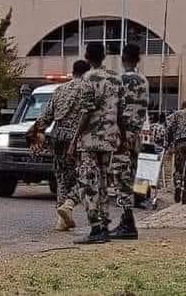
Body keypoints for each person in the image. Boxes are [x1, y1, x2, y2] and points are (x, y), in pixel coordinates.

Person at [72, 43, 124, 244]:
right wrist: (122, 137)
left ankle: (95, 228)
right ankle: (104, 227)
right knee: (103, 183)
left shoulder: (88, 78)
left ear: (87, 57)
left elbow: (86, 112)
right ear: (104, 56)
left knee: (87, 183)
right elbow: (121, 112)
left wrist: (74, 140)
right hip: (109, 138)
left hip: (90, 140)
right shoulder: (116, 78)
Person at [31, 59, 90, 231]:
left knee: (62, 178)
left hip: (57, 137)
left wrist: (35, 133)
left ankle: (61, 220)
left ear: (73, 72)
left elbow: (46, 117)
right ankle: (69, 205)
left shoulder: (59, 90)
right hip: (78, 140)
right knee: (88, 177)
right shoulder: (88, 90)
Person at [111, 43, 148, 240]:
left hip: (122, 135)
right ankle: (127, 221)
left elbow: (116, 109)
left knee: (120, 176)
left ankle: (127, 222)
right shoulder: (144, 81)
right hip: (136, 135)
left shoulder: (120, 81)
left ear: (123, 58)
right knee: (131, 174)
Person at [166, 101, 186, 204]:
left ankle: (178, 184)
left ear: (182, 106)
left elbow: (169, 128)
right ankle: (185, 193)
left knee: (178, 168)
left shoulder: (176, 114)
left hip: (180, 141)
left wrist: (168, 143)